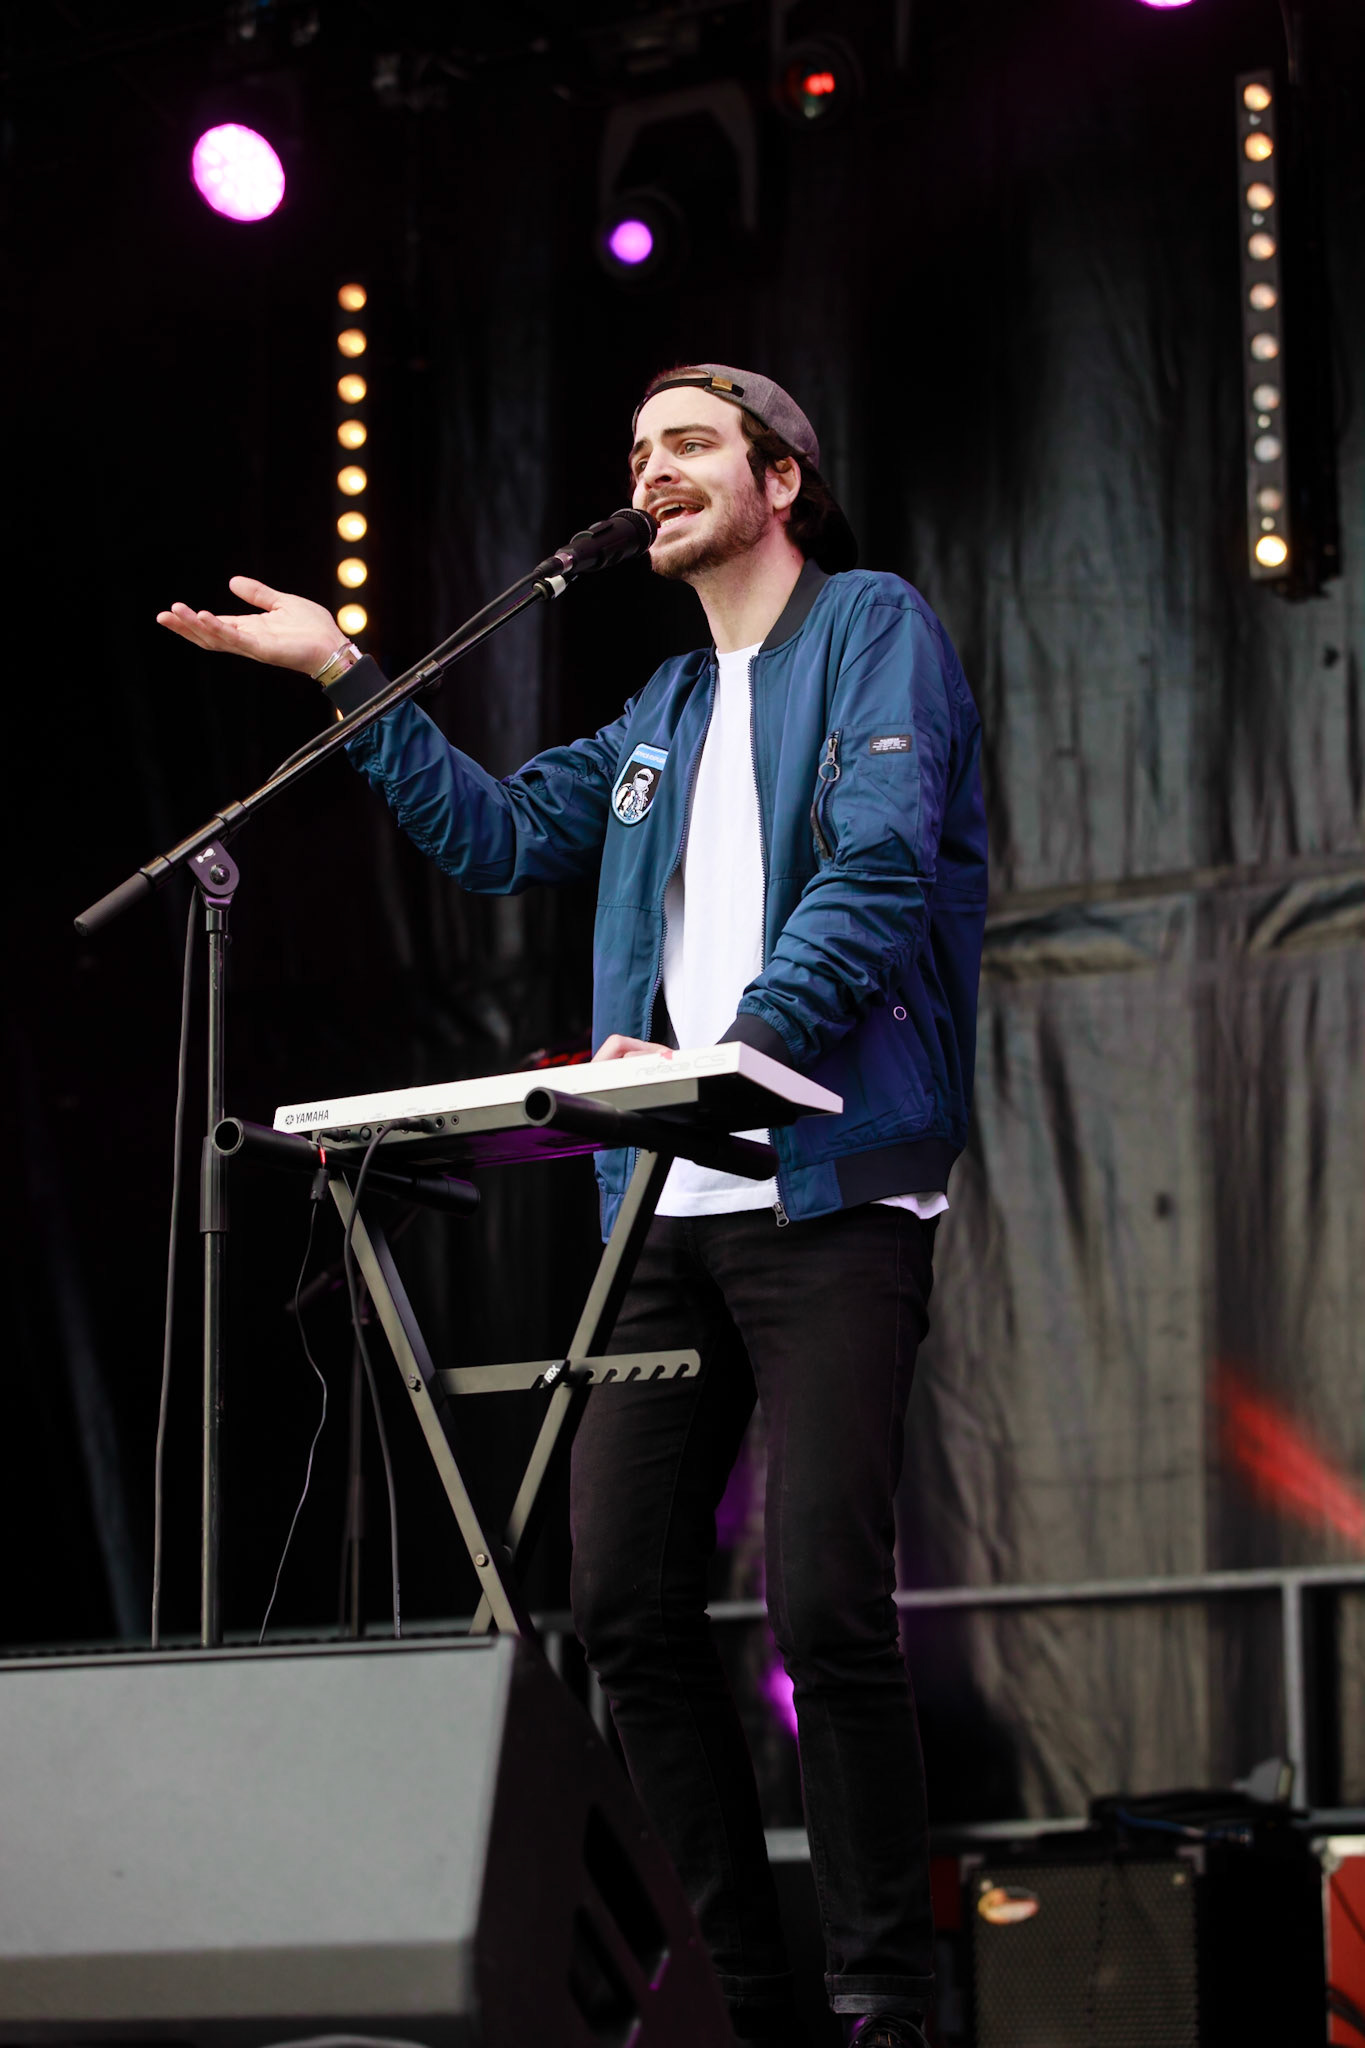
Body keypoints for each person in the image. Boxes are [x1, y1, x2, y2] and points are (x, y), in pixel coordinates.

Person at [158, 362, 987, 2048]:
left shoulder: (872, 629)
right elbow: (492, 835)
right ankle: (753, 2004)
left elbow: (884, 863)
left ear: (781, 478)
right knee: (620, 1609)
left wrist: (732, 1051)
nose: (651, 470)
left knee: (828, 1601)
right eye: (634, 453)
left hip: (828, 1187)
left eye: (686, 444)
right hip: (661, 1209)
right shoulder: (659, 718)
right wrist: (344, 675)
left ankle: (886, 2001)